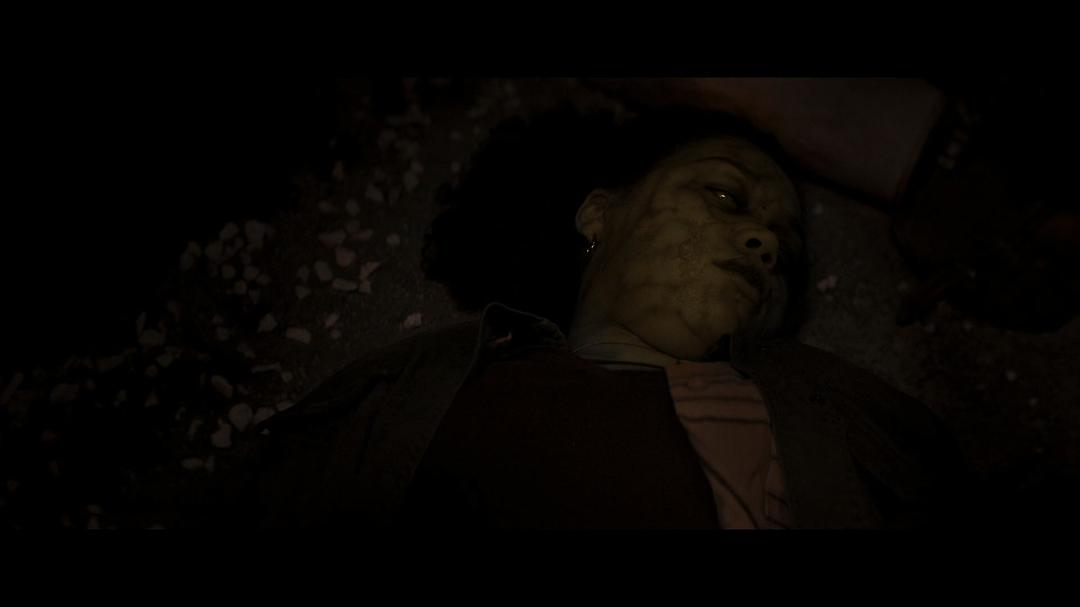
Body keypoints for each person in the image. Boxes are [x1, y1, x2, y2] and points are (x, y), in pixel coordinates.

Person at [227, 106, 973, 529]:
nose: (765, 243)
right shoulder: (415, 396)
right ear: (598, 213)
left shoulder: (849, 418)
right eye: (724, 196)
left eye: (786, 246)